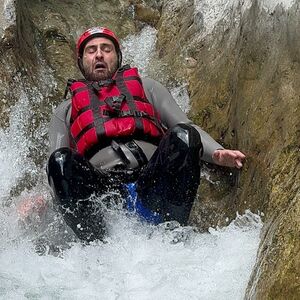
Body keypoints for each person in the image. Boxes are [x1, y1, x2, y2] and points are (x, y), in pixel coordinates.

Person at [47, 27, 245, 243]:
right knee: (60, 160)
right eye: (91, 50)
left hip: (152, 180)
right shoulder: (65, 110)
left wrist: (216, 152)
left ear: (118, 56)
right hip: (102, 192)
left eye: (107, 49)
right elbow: (54, 166)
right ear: (81, 60)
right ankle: (98, 247)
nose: (99, 55)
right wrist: (39, 198)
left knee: (183, 135)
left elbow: (184, 125)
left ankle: (173, 237)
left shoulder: (147, 87)